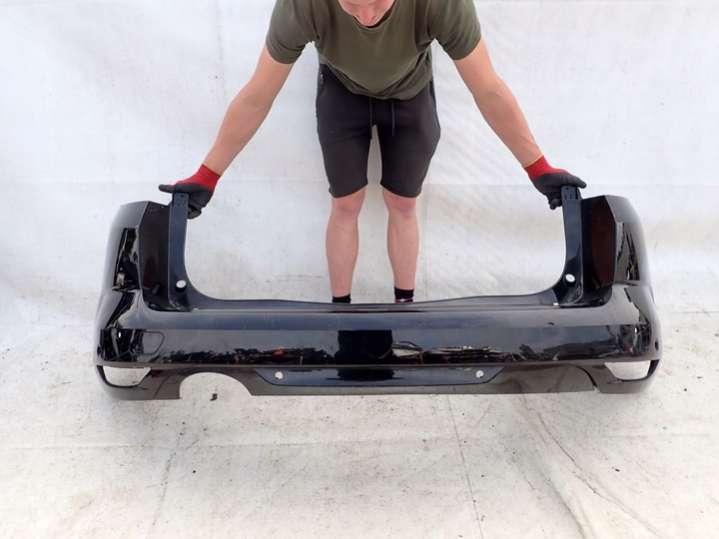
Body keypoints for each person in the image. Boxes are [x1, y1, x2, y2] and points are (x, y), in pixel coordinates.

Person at [159, 0, 586, 305]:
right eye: (351, 5)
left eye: (378, 3)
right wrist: (207, 176)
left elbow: (488, 88)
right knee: (346, 204)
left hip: (411, 97)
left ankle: (405, 307)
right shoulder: (302, 5)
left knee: (403, 204)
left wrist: (538, 168)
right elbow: (257, 95)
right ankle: (340, 312)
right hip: (342, 95)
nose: (365, 18)